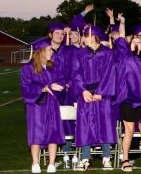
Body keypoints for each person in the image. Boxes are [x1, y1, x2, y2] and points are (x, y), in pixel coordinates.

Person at [111, 14, 141, 171]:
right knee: (129, 130)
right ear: (129, 44)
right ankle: (125, 160)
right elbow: (121, 38)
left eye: (140, 42)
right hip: (127, 99)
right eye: (134, 41)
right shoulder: (124, 56)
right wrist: (122, 22)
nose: (137, 43)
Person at [73, 24, 117, 171]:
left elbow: (110, 74)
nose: (83, 39)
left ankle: (106, 158)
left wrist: (101, 92)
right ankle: (85, 158)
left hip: (101, 95)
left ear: (92, 36)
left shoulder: (107, 53)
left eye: (85, 36)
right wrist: (83, 91)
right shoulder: (80, 54)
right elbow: (76, 74)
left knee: (104, 125)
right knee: (85, 125)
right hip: (85, 95)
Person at [22, 38, 65, 173]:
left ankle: (51, 163)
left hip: (52, 104)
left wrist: (60, 86)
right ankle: (35, 163)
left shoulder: (53, 67)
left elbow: (61, 80)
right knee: (36, 134)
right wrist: (43, 88)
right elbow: (26, 88)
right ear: (41, 52)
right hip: (36, 106)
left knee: (53, 132)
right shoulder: (28, 69)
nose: (52, 52)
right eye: (49, 50)